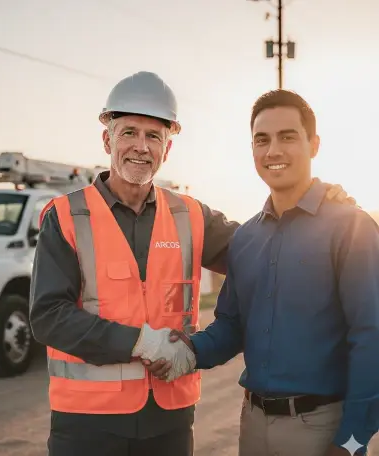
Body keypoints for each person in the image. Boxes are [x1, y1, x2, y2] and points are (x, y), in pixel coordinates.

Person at [29, 72, 353, 456]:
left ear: (167, 148)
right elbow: (49, 315)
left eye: (154, 136)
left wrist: (325, 211)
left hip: (169, 420)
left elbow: (269, 253)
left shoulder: (191, 216)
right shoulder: (66, 216)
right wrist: (137, 341)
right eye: (129, 132)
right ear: (107, 140)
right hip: (87, 424)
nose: (141, 147)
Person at [156, 89, 379, 456]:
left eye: (287, 137)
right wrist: (187, 349)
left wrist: (353, 440)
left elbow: (370, 339)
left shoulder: (350, 228)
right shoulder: (245, 237)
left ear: (314, 145)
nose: (273, 150)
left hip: (322, 429)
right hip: (253, 426)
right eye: (262, 140)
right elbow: (231, 325)